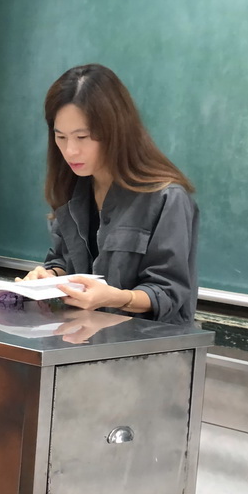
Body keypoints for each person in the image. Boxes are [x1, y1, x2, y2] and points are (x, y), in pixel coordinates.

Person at [19, 63, 199, 325]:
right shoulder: (72, 188)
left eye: (82, 137)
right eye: (61, 137)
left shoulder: (167, 198)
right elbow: (63, 259)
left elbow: (170, 293)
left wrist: (116, 298)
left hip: (147, 344)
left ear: (114, 131)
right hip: (80, 338)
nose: (70, 151)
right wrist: (49, 276)